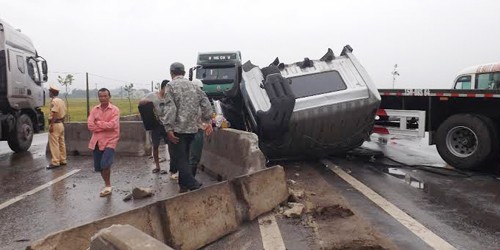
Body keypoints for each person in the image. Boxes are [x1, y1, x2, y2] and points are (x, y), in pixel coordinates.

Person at [163, 62, 213, 192]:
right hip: (192, 129)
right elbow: (206, 103)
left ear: (171, 72)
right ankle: (183, 186)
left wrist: (168, 128)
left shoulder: (171, 85)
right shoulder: (193, 86)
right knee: (185, 156)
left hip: (178, 129)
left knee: (181, 158)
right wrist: (207, 120)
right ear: (184, 73)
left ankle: (192, 183)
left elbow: (170, 108)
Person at [88, 88, 120, 197]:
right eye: (100, 96)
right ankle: (107, 184)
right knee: (99, 167)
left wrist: (99, 124)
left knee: (105, 164)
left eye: (105, 96)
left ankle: (108, 185)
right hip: (97, 140)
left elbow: (113, 125)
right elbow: (90, 125)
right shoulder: (94, 110)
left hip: (110, 140)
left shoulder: (115, 110)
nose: (103, 98)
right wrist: (104, 126)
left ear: (109, 97)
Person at [139, 80, 170, 175]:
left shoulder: (169, 97)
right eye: (167, 89)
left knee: (170, 145)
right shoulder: (152, 95)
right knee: (155, 146)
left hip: (167, 125)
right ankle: (157, 166)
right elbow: (140, 102)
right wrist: (145, 102)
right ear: (163, 87)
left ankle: (173, 166)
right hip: (156, 125)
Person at [189, 79, 213, 176]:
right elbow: (208, 113)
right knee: (194, 157)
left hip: (183, 130)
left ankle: (184, 182)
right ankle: (191, 182)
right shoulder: (201, 98)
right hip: (196, 131)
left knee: (186, 156)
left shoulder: (184, 98)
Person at [47, 84, 67, 169]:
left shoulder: (54, 101)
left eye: (49, 91)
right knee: (61, 143)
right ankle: (63, 160)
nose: (49, 93)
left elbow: (54, 113)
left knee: (54, 143)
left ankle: (55, 161)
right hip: (61, 124)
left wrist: (51, 125)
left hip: (55, 124)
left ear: (52, 93)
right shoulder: (61, 101)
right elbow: (64, 113)